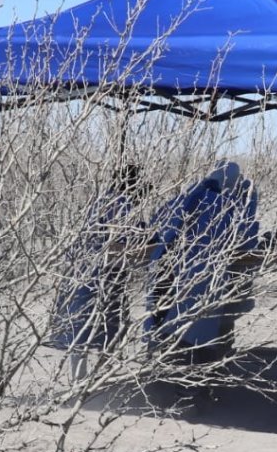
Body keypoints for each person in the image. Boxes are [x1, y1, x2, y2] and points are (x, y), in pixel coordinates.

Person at [145, 161, 260, 404]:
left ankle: (162, 386)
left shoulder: (183, 197)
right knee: (201, 335)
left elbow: (154, 230)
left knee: (170, 331)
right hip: (202, 280)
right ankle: (193, 392)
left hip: (166, 277)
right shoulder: (227, 206)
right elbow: (245, 240)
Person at [50, 164, 145, 381]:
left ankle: (82, 379)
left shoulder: (100, 200)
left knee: (81, 327)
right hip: (101, 275)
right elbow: (122, 241)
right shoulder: (120, 204)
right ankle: (94, 380)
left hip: (80, 270)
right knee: (99, 327)